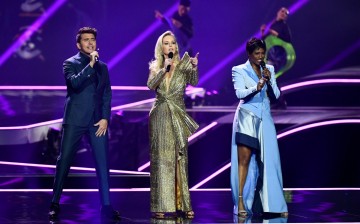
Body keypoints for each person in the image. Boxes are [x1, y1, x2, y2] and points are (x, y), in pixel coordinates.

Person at [48, 27, 120, 221]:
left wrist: (105, 117)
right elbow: (75, 84)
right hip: (75, 119)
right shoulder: (69, 63)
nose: (90, 43)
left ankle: (106, 206)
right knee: (64, 161)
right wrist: (89, 66)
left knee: (103, 163)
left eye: (93, 39)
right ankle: (55, 202)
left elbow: (107, 93)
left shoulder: (103, 67)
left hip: (97, 122)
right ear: (79, 44)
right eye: (86, 40)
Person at [230, 37, 288, 218]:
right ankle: (240, 201)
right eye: (257, 53)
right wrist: (256, 87)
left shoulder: (268, 69)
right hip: (246, 117)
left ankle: (273, 205)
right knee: (244, 160)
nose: (261, 57)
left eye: (263, 53)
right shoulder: (238, 70)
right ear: (249, 54)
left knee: (270, 161)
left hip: (265, 118)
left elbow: (276, 95)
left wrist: (269, 82)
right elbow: (240, 93)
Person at [147, 30, 199, 219]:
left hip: (177, 114)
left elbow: (194, 81)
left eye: (173, 43)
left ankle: (183, 204)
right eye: (167, 43)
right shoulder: (155, 67)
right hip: (159, 115)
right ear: (161, 48)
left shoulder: (183, 65)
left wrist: (194, 67)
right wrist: (164, 69)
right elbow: (150, 85)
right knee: (161, 160)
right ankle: (159, 204)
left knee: (180, 158)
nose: (171, 46)